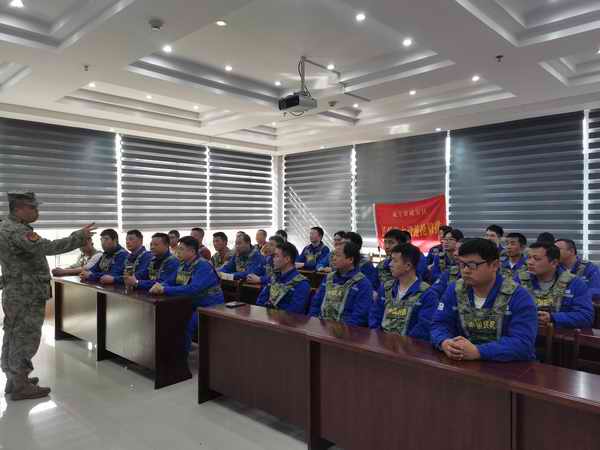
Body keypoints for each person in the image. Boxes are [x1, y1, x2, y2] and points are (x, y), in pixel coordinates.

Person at [0, 192, 96, 400]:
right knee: (26, 337)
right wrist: (78, 236)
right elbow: (49, 247)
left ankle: (14, 379)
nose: (37, 212)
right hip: (27, 294)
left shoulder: (4, 226)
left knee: (13, 335)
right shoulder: (17, 230)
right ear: (19, 208)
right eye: (33, 207)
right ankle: (20, 385)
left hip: (15, 292)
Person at [431, 238, 537, 362]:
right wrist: (444, 342)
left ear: (494, 265)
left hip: (509, 367)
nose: (465, 270)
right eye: (462, 264)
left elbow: (522, 343)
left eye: (472, 265)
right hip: (462, 361)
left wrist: (478, 351)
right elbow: (439, 324)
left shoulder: (518, 295)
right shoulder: (454, 289)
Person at [149, 236, 224, 354]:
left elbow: (193, 289)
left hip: (209, 306)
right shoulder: (183, 264)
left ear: (192, 251)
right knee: (168, 317)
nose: (177, 252)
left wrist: (164, 289)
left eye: (181, 249)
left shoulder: (203, 266)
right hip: (191, 304)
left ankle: (182, 356)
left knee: (185, 322)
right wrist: (160, 285)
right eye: (178, 249)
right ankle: (169, 353)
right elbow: (171, 280)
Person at [516, 241, 593, 329]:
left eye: (536, 259)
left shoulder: (575, 283)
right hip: (524, 331)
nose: (530, 262)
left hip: (559, 334)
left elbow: (585, 317)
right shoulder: (519, 280)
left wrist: (552, 318)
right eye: (529, 257)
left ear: (554, 263)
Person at [369, 243, 437, 341]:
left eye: (395, 261)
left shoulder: (427, 294)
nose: (390, 264)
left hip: (411, 346)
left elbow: (423, 327)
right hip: (382, 343)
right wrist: (379, 338)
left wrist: (403, 344)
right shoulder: (386, 288)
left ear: (408, 266)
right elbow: (375, 315)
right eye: (391, 260)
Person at [309, 242, 373, 326]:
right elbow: (316, 304)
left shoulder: (363, 284)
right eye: (333, 255)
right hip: (321, 326)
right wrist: (313, 323)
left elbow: (359, 316)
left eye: (338, 256)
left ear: (350, 259)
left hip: (346, 330)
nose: (333, 258)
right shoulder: (328, 278)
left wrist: (341, 330)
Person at [256, 242, 311, 313]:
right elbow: (260, 301)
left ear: (287, 259)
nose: (273, 259)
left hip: (285, 319)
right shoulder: (274, 278)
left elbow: (294, 312)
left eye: (277, 256)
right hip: (266, 317)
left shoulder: (301, 283)